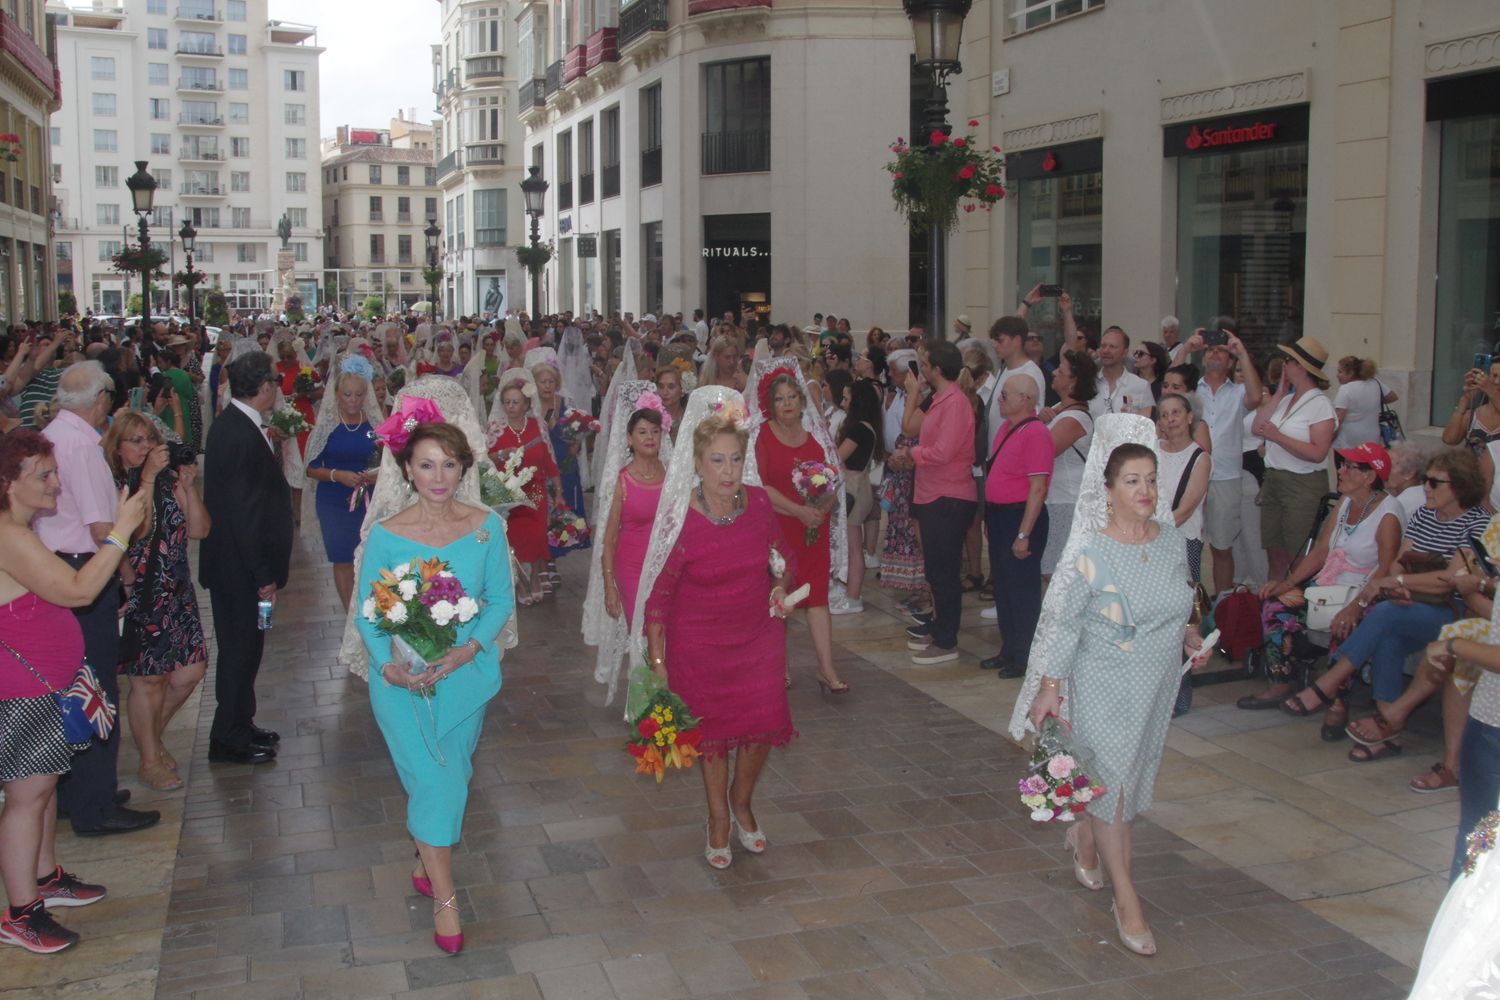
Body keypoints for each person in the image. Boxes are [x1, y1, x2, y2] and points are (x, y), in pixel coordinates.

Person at [1013, 419, 1200, 957]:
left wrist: (1189, 636)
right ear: (1109, 490)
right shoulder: (1093, 552)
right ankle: (1128, 899)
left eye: (1151, 481)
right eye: (1132, 482)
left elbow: (1179, 602)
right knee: (1114, 788)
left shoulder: (1172, 543)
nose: (1144, 492)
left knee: (1122, 779)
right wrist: (1050, 686)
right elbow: (1068, 623)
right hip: (1104, 683)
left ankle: (1085, 835)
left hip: (1156, 686)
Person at [353, 419, 514, 956]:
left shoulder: (487, 526)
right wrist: (387, 667)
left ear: (464, 467)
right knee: (437, 781)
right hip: (404, 684)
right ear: (407, 470)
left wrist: (469, 649)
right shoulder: (386, 534)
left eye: (448, 463)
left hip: (464, 678)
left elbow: (499, 602)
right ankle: (446, 900)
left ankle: (426, 857)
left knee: (454, 777)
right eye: (426, 464)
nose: (438, 476)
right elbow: (369, 613)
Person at [0, 430, 150, 953]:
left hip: (47, 686)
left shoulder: (19, 528)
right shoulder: (8, 536)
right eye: (42, 474)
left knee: (43, 792)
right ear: (7, 484)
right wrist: (121, 532)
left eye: (54, 470)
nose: (56, 483)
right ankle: (21, 913)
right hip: (24, 693)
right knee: (27, 797)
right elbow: (81, 591)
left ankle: (43, 879)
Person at [642, 391, 798, 869]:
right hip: (700, 644)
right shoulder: (679, 516)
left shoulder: (759, 506)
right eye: (717, 460)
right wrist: (659, 664)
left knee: (760, 723)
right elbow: (659, 598)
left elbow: (780, 562)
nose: (728, 471)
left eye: (736, 459)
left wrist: (779, 586)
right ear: (697, 462)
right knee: (711, 735)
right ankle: (717, 817)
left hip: (757, 636)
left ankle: (742, 800)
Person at [1284, 447, 1489, 755]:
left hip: (1454, 610)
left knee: (1385, 615)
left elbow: (1449, 578)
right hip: (1414, 603)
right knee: (1388, 632)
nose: (1426, 489)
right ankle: (1386, 731)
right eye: (1425, 481)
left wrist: (1397, 582)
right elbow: (1398, 562)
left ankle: (1330, 683)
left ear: (1459, 487)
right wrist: (1396, 584)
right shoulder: (1424, 515)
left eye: (1435, 483)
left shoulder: (1477, 523)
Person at [35, 361, 160, 835]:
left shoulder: (54, 433)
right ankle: (96, 804)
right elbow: (102, 527)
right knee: (97, 687)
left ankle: (76, 792)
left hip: (60, 566)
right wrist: (125, 573)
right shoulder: (83, 445)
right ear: (101, 399)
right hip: (83, 567)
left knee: (74, 683)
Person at [1234, 442, 1402, 716]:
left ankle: (1338, 700)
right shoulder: (1346, 502)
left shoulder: (1388, 514)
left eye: (1350, 466)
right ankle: (1280, 682)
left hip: (1363, 594)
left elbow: (1386, 569)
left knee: (1344, 623)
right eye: (1342, 464)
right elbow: (1321, 551)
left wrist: (1356, 606)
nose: (1341, 470)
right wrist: (1287, 583)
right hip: (1329, 587)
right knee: (1275, 604)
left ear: (1370, 476)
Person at [104, 412, 210, 792]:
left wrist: (189, 486)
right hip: (141, 591)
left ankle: (152, 738)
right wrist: (147, 477)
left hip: (176, 589)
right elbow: (139, 529)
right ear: (117, 448)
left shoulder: (165, 481)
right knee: (148, 679)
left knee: (190, 671)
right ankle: (149, 759)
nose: (145, 447)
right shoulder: (117, 485)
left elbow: (200, 529)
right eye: (135, 440)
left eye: (149, 439)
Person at [199, 351, 295, 766]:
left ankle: (242, 720)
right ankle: (228, 737)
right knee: (239, 650)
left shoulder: (241, 425)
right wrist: (263, 574)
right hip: (239, 570)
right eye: (275, 380)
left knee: (250, 647)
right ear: (263, 387)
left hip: (242, 567)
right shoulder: (237, 433)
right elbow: (244, 514)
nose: (279, 387)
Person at [751, 362, 850, 692]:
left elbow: (830, 481)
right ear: (770, 404)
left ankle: (826, 668)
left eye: (793, 396)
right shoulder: (763, 436)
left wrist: (821, 509)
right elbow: (762, 488)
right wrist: (799, 511)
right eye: (780, 399)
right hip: (780, 531)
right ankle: (778, 667)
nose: (788, 403)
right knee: (783, 598)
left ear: (802, 401)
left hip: (812, 532)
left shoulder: (812, 441)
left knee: (818, 598)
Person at [893, 342, 977, 666]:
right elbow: (914, 429)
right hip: (932, 494)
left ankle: (947, 640)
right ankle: (940, 626)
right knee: (935, 569)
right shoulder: (941, 399)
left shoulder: (955, 403)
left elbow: (943, 451)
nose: (922, 369)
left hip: (949, 496)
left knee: (944, 571)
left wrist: (910, 454)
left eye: (925, 364)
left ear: (937, 369)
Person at [589, 385, 671, 701]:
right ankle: (648, 701)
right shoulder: (622, 480)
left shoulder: (672, 474)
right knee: (647, 629)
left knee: (668, 628)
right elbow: (608, 540)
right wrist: (609, 586)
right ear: (629, 439)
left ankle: (667, 694)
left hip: (666, 564)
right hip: (631, 566)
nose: (649, 437)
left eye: (654, 431)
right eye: (641, 432)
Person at [1170, 328, 1263, 595]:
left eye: (1221, 350)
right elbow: (1171, 386)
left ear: (1231, 361)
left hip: (1225, 478)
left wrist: (1242, 352)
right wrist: (1186, 349)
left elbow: (1256, 398)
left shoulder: (1238, 393)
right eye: (1210, 348)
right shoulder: (1190, 388)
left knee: (1222, 547)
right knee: (1187, 544)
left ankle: (1222, 607)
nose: (1214, 352)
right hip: (1188, 477)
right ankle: (1187, 602)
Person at [980, 375, 1052, 676]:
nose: (1000, 399)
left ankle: (1025, 657)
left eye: (1006, 394)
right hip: (1000, 515)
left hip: (1021, 517)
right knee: (1005, 588)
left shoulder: (1036, 433)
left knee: (1022, 591)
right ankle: (1009, 649)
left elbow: (1038, 488)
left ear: (1026, 399)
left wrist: (1024, 533)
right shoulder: (1007, 429)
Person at [1252, 337, 1336, 582]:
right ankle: (1273, 609)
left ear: (1300, 366)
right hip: (1275, 481)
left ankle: (1297, 610)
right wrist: (1279, 393)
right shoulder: (1288, 399)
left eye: (1288, 360)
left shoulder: (1321, 405)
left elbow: (1318, 452)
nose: (1283, 364)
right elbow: (1258, 427)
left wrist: (1277, 438)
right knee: (1274, 550)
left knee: (1298, 554)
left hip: (1302, 485)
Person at [304, 355, 382, 609]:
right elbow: (311, 468)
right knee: (343, 559)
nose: (353, 400)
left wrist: (375, 474)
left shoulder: (373, 425)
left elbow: (390, 459)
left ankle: (371, 608)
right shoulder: (327, 426)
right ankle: (350, 615)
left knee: (371, 557)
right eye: (348, 395)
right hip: (334, 501)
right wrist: (338, 475)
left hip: (369, 499)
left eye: (359, 395)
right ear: (337, 395)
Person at [487, 372, 563, 605]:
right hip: (507, 493)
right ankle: (519, 581)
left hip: (536, 491)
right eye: (507, 402)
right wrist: (500, 454)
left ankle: (537, 580)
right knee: (512, 540)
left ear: (527, 404)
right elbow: (482, 462)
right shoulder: (495, 429)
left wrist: (558, 491)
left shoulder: (537, 426)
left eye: (516, 402)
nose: (511, 407)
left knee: (537, 536)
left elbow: (549, 460)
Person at [1041, 350, 1097, 580]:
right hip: (1056, 498)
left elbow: (1044, 452)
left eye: (1061, 370)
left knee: (1060, 572)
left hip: (1067, 500)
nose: (1054, 372)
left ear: (1073, 380)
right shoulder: (1059, 410)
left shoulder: (1075, 418)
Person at [830, 379, 882, 615]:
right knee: (850, 543)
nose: (843, 402)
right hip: (858, 487)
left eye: (847, 398)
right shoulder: (869, 426)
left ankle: (853, 596)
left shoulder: (859, 429)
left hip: (853, 488)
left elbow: (838, 457)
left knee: (853, 546)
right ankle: (848, 589)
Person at [1156, 394, 1211, 584]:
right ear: (1160, 424)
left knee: (1185, 601)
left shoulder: (1200, 458)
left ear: (1189, 417)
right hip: (1147, 539)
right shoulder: (1151, 450)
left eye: (1175, 413)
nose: (1170, 419)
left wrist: (1148, 531)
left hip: (1183, 541)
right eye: (1164, 415)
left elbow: (1185, 511)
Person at [1333, 356, 1395, 450]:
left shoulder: (1345, 389)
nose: (1337, 375)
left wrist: (1329, 438)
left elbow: (1339, 419)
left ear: (1351, 373)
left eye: (1340, 372)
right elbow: (1392, 397)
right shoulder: (1375, 382)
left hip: (1349, 441)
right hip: (1372, 439)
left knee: (1347, 465)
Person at [1089, 327, 1153, 418]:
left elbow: (1146, 425)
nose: (1106, 351)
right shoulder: (1089, 383)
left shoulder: (1141, 386)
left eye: (1112, 347)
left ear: (1125, 352)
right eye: (1103, 346)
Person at [1441, 356, 1500, 452]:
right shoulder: (1473, 415)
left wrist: (1492, 391)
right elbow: (1449, 439)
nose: (1497, 382)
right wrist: (1465, 399)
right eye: (1494, 376)